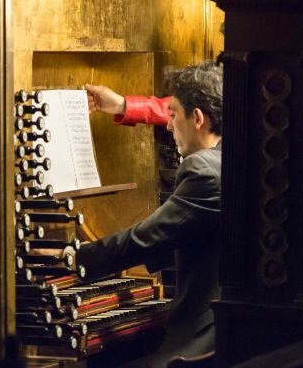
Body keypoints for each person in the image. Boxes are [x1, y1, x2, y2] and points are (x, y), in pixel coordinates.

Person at [76, 61, 224, 368]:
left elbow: (141, 240)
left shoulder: (204, 170)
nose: (168, 125)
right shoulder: (233, 154)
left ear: (197, 118)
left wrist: (66, 261)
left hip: (202, 340)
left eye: (172, 115)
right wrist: (123, 105)